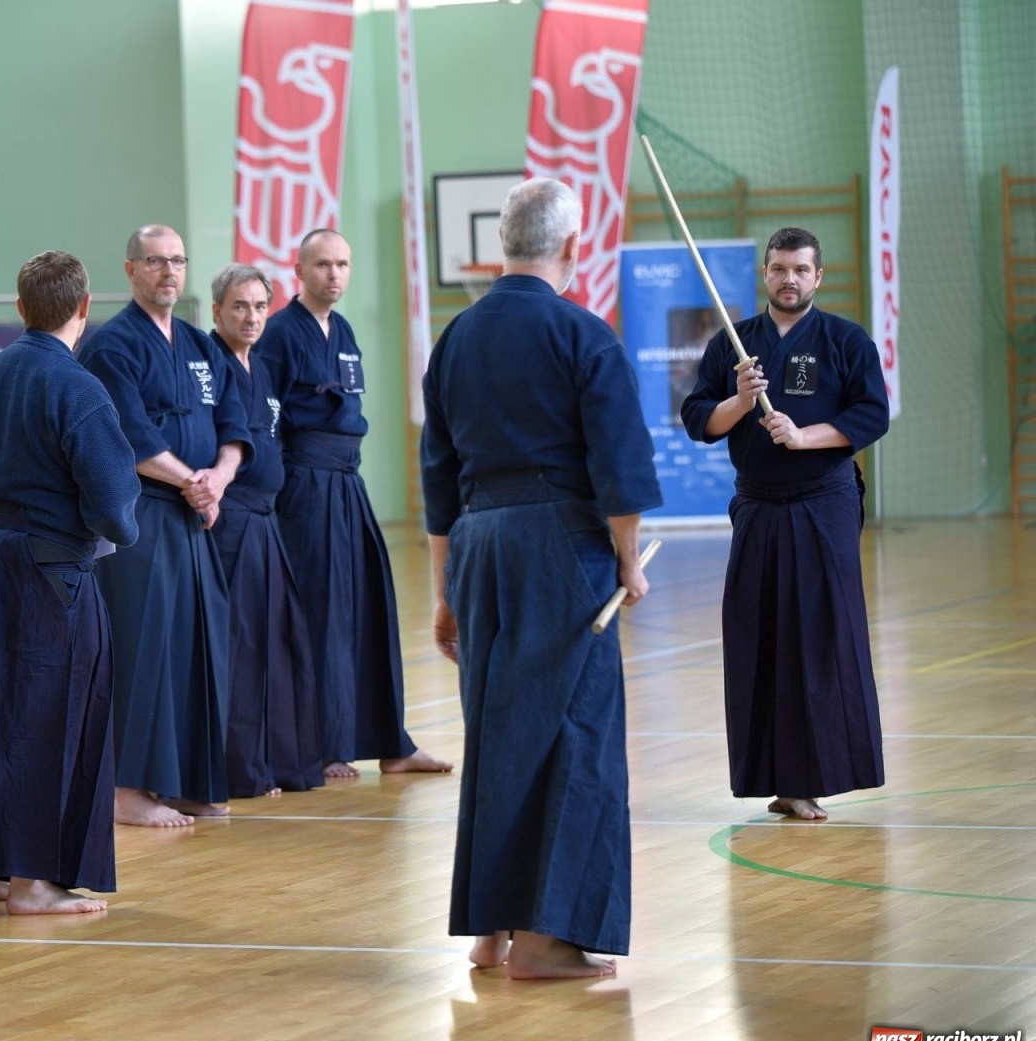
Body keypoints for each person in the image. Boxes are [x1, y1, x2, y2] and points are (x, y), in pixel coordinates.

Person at [422, 178, 662, 978]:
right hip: (562, 547)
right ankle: (548, 940)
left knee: (497, 731)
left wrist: (442, 592)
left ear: (501, 245)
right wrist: (628, 564)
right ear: (572, 245)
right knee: (575, 734)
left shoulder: (455, 340)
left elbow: (438, 479)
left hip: (481, 549)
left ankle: (491, 931)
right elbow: (619, 472)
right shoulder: (582, 334)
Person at [0, 251, 139, 914]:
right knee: (52, 716)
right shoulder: (77, 387)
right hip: (53, 568)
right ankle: (33, 883)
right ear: (84, 308)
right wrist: (119, 533)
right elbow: (110, 495)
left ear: (20, 307)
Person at [681, 227, 889, 822]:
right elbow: (700, 420)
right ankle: (772, 777)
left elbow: (871, 413)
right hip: (756, 507)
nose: (788, 278)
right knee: (756, 635)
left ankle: (810, 777)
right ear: (765, 275)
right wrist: (741, 402)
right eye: (778, 269)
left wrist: (804, 437)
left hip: (823, 504)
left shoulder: (846, 341)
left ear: (818, 277)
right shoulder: (733, 345)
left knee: (819, 638)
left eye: (800, 269)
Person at [253, 229, 449, 779]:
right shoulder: (280, 335)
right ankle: (323, 744)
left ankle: (392, 743)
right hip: (303, 486)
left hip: (348, 483)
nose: (333, 275)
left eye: (342, 264)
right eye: (322, 265)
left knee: (370, 609)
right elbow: (265, 418)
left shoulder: (343, 331)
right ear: (299, 271)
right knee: (319, 614)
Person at [79, 225, 252, 827]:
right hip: (143, 518)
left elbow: (235, 426)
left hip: (196, 515)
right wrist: (191, 482)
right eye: (154, 262)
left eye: (176, 261)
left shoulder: (202, 346)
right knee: (145, 648)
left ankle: (188, 781)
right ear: (130, 271)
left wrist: (219, 479)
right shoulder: (112, 346)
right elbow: (127, 435)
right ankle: (128, 788)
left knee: (200, 649)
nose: (168, 272)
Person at [207, 263, 323, 797]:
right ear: (217, 312)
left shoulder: (261, 368)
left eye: (259, 306)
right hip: (230, 522)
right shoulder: (209, 365)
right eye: (239, 306)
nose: (251, 317)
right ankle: (236, 769)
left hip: (267, 522)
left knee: (279, 644)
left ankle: (275, 762)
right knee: (239, 648)